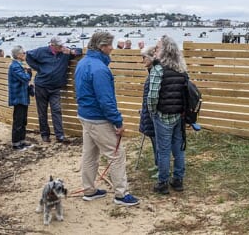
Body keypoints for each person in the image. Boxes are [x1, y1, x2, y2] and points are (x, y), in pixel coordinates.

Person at [74, 32, 140, 206]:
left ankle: (89, 190)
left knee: (90, 154)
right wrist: (117, 122)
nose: (112, 48)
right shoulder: (100, 69)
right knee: (117, 154)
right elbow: (106, 100)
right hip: (98, 118)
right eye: (109, 45)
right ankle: (121, 194)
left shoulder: (83, 63)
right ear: (102, 46)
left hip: (85, 115)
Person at [148, 35, 187, 194]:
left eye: (157, 47)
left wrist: (152, 112)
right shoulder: (182, 69)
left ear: (164, 50)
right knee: (178, 148)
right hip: (179, 115)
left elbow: (152, 96)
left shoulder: (158, 69)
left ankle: (162, 183)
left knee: (163, 150)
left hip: (163, 115)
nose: (155, 50)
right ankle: (178, 180)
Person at [26, 36, 76, 144]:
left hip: (55, 88)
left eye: (63, 45)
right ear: (52, 45)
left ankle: (60, 135)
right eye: (60, 46)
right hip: (41, 86)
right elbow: (28, 55)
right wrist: (39, 68)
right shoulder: (41, 51)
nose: (62, 47)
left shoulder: (65, 52)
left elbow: (79, 51)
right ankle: (45, 135)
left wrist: (72, 51)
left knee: (56, 110)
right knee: (42, 112)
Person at [8, 45, 33, 151]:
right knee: (18, 121)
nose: (25, 54)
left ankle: (22, 141)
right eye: (23, 52)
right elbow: (25, 78)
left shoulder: (19, 65)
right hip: (18, 97)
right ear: (18, 55)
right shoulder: (15, 66)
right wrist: (29, 71)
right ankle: (16, 144)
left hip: (23, 97)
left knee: (23, 120)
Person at [139, 46, 157, 179]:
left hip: (153, 113)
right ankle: (158, 163)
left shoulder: (155, 73)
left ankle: (162, 167)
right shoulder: (151, 72)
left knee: (158, 142)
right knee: (153, 139)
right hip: (148, 112)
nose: (142, 60)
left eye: (144, 57)